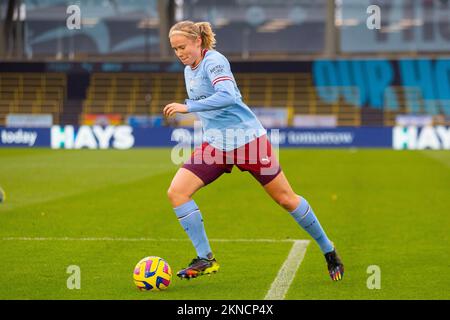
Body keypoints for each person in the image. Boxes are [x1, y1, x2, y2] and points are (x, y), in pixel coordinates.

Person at [163, 21, 344, 281]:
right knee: (177, 193)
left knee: (286, 199)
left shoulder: (214, 62)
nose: (179, 53)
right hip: (216, 144)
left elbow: (228, 96)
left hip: (248, 140)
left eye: (182, 47)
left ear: (198, 42)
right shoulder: (188, 70)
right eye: (175, 49)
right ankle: (206, 259)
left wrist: (187, 107)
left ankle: (328, 250)